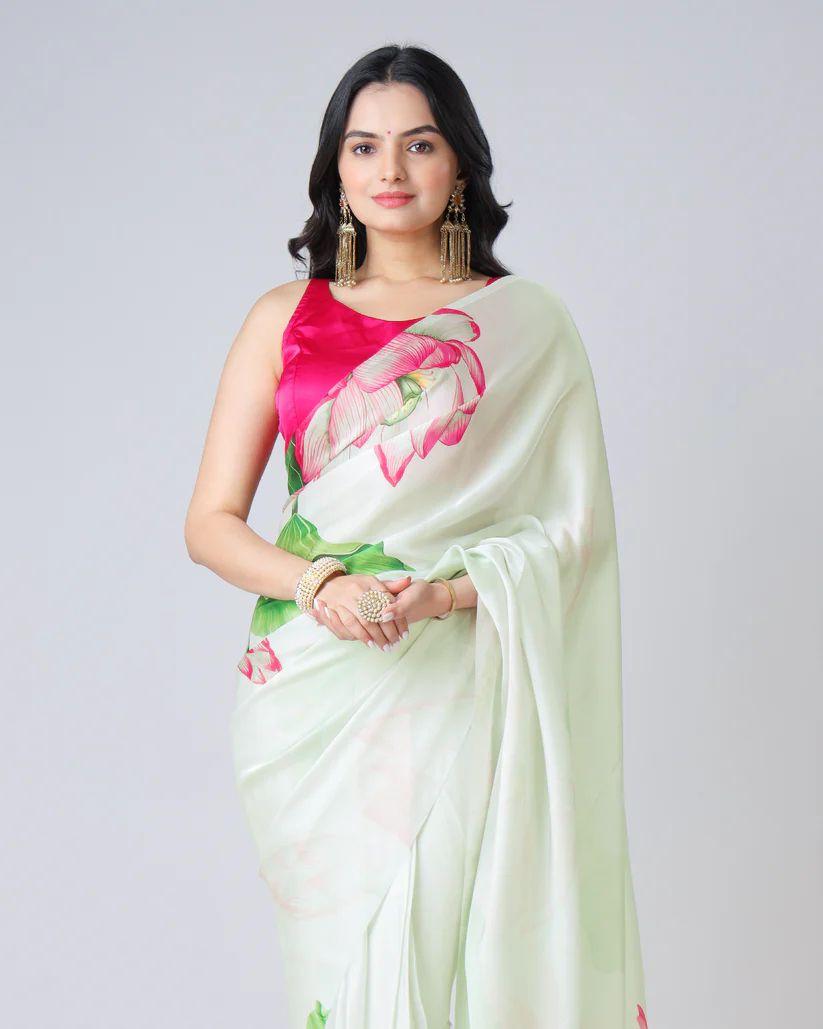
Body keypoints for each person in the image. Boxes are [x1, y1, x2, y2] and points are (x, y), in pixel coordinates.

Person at [184, 43, 648, 1029]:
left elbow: (572, 534)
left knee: (445, 948)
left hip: (459, 681)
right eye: (363, 147)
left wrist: (442, 595)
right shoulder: (283, 319)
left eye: (419, 144)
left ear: (461, 164)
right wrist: (320, 586)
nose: (389, 171)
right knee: (341, 975)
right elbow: (210, 524)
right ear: (336, 168)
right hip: (313, 691)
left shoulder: (524, 327)